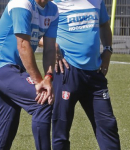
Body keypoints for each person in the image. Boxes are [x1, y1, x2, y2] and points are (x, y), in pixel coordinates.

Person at [0, 0, 58, 149]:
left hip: (15, 71)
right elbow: (23, 45)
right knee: (42, 101)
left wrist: (48, 77)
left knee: (7, 124)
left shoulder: (53, 10)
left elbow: (50, 49)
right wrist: (38, 82)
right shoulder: (21, 3)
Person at [51, 0, 121, 150]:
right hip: (67, 71)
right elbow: (35, 30)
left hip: (95, 73)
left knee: (108, 124)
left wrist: (108, 50)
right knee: (61, 127)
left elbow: (104, 25)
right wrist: (52, 45)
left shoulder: (97, 1)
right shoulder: (53, 2)